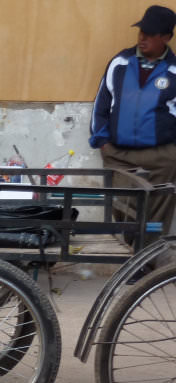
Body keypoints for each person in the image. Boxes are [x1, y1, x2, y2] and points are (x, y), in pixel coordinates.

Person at [90, 5, 176, 251]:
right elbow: (102, 103)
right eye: (141, 31)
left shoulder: (174, 70)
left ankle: (146, 261)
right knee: (122, 207)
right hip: (119, 153)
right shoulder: (120, 62)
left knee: (156, 214)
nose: (142, 37)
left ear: (166, 37)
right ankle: (129, 255)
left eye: (150, 34)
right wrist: (102, 142)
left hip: (161, 157)